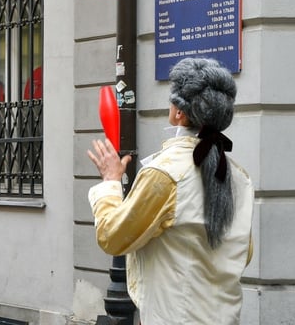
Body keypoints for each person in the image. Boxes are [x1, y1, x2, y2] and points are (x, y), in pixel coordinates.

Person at [87, 57, 255, 324]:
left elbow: (113, 236)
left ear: (179, 113)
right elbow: (242, 254)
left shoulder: (165, 174)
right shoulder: (240, 179)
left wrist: (110, 182)